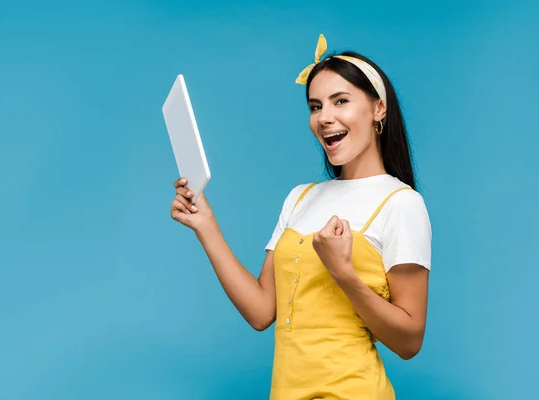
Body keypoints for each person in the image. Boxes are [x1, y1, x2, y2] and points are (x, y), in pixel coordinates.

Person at [170, 33, 432, 400]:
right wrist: (206, 226)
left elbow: (409, 341)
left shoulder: (401, 203)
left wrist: (343, 273)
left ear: (378, 109)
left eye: (340, 101)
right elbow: (262, 312)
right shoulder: (301, 198)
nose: (325, 118)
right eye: (315, 106)